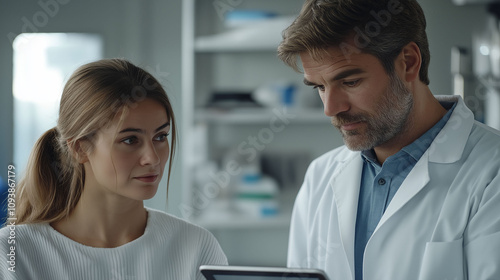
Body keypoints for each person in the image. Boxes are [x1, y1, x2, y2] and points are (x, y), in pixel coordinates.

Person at [278, 1, 500, 279]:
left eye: (350, 82)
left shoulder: (493, 173)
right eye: (320, 87)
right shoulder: (319, 177)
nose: (330, 108)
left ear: (408, 63)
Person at [0, 58, 227, 279]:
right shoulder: (11, 254)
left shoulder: (197, 248)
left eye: (160, 136)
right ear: (79, 148)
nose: (152, 158)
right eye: (130, 140)